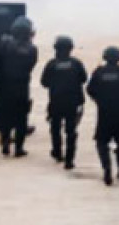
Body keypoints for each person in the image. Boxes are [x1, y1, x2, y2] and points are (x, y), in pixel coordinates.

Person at [87, 46, 119, 186]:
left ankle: (107, 167)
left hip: (104, 113)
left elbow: (90, 89)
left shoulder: (98, 72)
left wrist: (100, 100)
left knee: (101, 142)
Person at [0, 16, 38, 158]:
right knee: (21, 118)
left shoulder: (5, 44)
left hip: (5, 86)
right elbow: (31, 66)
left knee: (5, 115)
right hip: (22, 86)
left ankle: (5, 144)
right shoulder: (32, 48)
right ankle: (19, 148)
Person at [40, 35, 88, 169]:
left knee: (55, 127)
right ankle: (69, 160)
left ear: (55, 48)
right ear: (71, 48)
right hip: (74, 101)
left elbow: (44, 82)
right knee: (71, 130)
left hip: (56, 101)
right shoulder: (76, 63)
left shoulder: (51, 64)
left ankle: (57, 152)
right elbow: (84, 79)